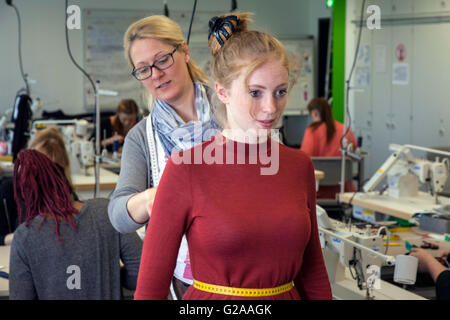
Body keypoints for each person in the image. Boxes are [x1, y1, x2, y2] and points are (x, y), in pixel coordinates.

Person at [133, 12, 332, 300]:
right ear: (222, 91)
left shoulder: (299, 166)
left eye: (280, 92)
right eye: (255, 92)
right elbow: (151, 286)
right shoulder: (185, 170)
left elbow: (313, 269)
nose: (270, 108)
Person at [108, 15, 220, 299]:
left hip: (241, 272)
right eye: (143, 69)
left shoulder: (232, 112)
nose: (155, 74)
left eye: (162, 60)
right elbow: (119, 214)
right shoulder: (142, 137)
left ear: (184, 50)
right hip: (180, 283)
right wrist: (150, 199)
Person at [9, 130, 143, 300]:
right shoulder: (107, 211)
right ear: (66, 169)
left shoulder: (25, 236)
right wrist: (110, 276)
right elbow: (141, 272)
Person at [300, 97, 358, 198]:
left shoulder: (311, 131)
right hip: (342, 190)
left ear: (314, 113)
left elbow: (304, 158)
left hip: (317, 191)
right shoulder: (345, 130)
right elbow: (353, 150)